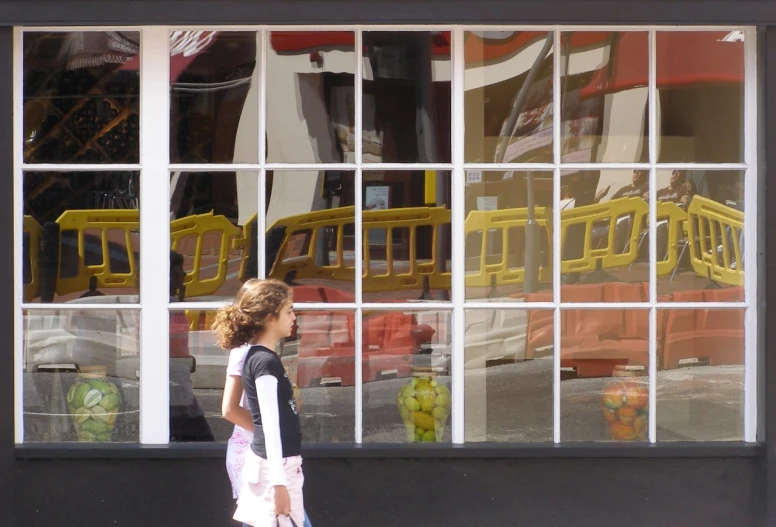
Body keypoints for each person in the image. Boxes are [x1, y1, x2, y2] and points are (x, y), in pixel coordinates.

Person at [213, 279, 306, 527]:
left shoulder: (261, 358)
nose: (294, 317)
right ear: (269, 318)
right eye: (288, 311)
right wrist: (278, 484)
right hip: (276, 470)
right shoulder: (264, 362)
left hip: (275, 468)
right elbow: (269, 425)